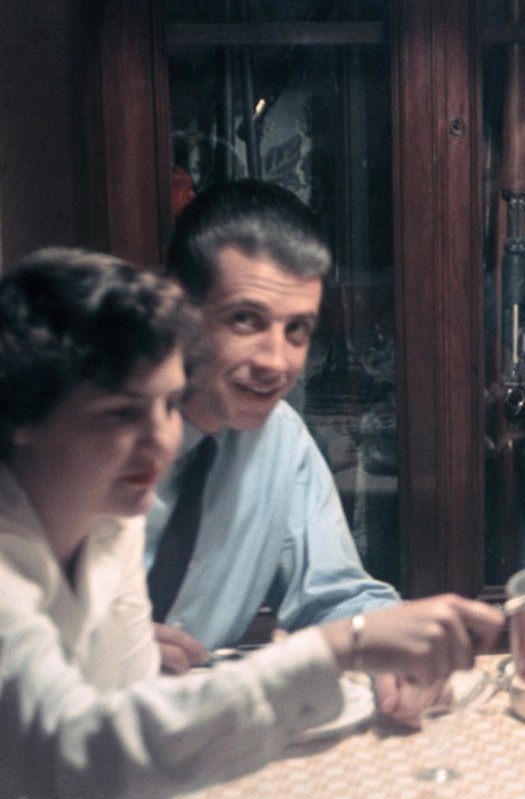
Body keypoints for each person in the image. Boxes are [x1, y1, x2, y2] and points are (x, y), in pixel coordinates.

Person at [0, 249, 500, 799]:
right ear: (23, 419)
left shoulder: (108, 522)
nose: (160, 442)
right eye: (119, 414)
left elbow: (132, 732)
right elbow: (83, 754)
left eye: (168, 406)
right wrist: (337, 649)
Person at [149, 179, 431, 723]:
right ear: (178, 307)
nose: (276, 362)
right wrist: (93, 656)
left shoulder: (283, 441)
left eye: (297, 330)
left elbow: (337, 596)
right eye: (246, 320)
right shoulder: (82, 432)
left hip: (199, 749)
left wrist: (392, 651)